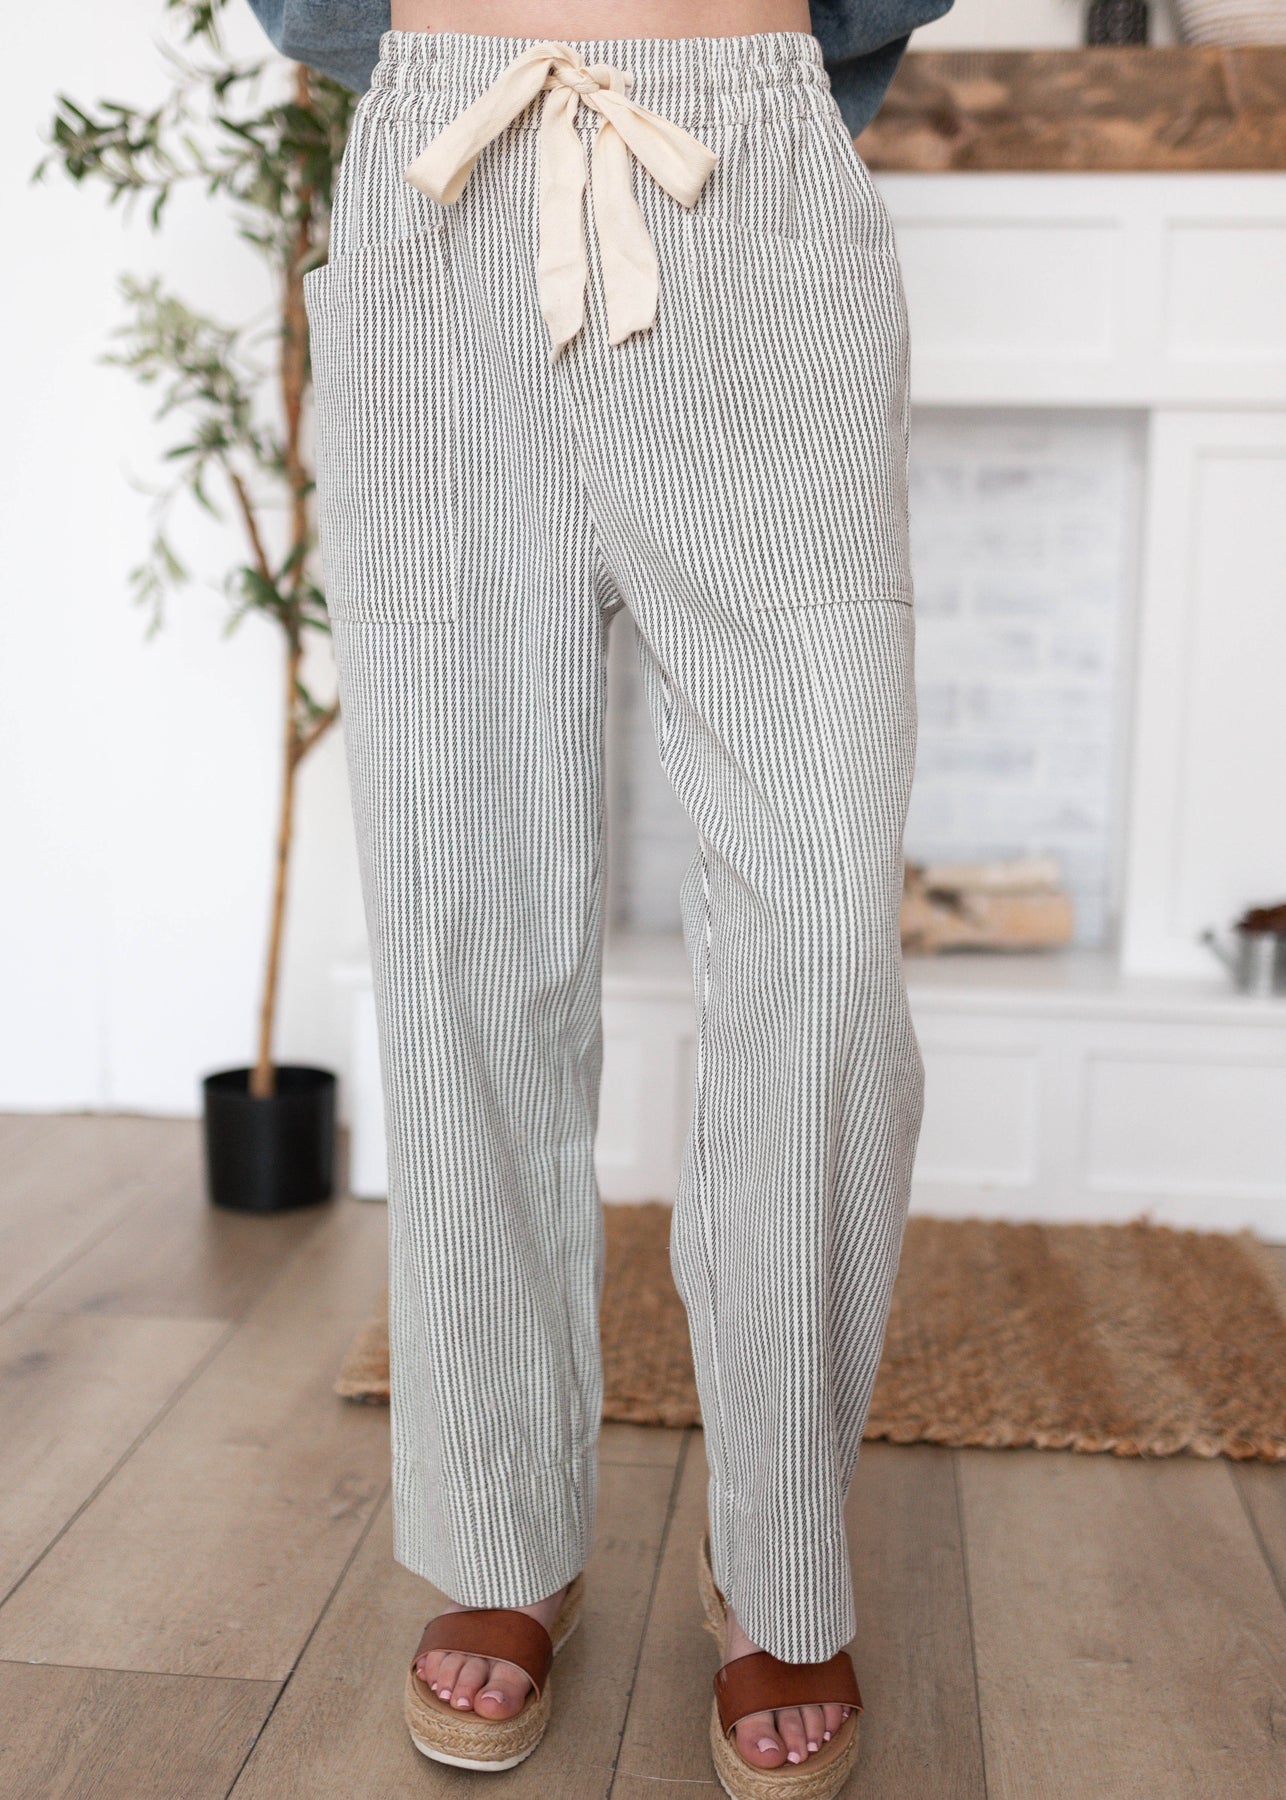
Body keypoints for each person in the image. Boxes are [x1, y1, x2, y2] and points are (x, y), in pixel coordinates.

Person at [245, 1, 952, 1793]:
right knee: (464, 929)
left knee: (821, 939)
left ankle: (778, 1553)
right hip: (446, 183)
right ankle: (502, 1537)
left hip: (746, 181)